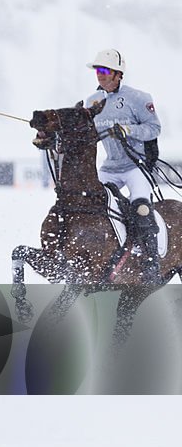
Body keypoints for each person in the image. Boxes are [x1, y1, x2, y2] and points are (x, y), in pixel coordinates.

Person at [84, 48, 161, 283]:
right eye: (98, 70)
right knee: (91, 207)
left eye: (105, 70)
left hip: (134, 166)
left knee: (141, 207)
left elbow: (154, 128)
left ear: (118, 74)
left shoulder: (138, 97)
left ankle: (151, 263)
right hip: (110, 168)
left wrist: (129, 130)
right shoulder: (92, 102)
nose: (100, 75)